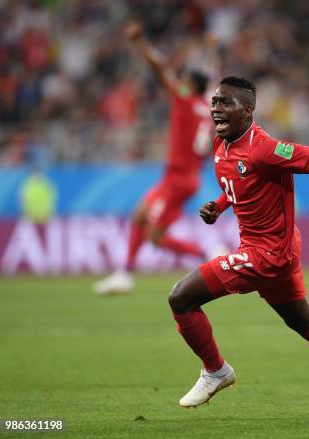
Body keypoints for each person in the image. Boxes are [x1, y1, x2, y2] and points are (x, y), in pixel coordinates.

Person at [167, 76, 309, 416]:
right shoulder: (221, 145)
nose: (215, 109)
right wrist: (219, 205)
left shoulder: (265, 148)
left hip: (266, 254)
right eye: (214, 102)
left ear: (247, 111)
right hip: (269, 251)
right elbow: (237, 185)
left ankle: (216, 371)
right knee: (303, 321)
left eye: (225, 103)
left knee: (181, 298)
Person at [94, 22, 214, 295]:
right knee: (139, 215)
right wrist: (210, 47)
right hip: (183, 176)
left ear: (190, 86)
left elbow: (160, 68)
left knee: (155, 237)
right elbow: (210, 73)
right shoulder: (207, 105)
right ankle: (124, 272)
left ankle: (209, 254)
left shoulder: (184, 100)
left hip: (179, 178)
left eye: (184, 80)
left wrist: (139, 42)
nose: (179, 83)